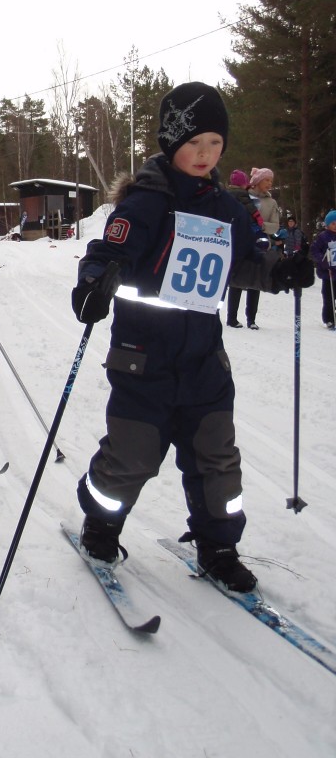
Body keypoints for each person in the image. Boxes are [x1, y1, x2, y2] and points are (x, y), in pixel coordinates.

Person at [70, 82, 314, 593]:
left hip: (203, 360)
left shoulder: (226, 207)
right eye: (194, 143)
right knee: (130, 459)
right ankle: (101, 522)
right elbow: (106, 251)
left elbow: (246, 262)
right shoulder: (145, 202)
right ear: (170, 142)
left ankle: (219, 545)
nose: (205, 155)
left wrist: (280, 271)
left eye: (215, 144)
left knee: (217, 460)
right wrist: (95, 281)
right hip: (143, 359)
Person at [224, 169, 265, 330]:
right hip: (248, 238)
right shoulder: (244, 196)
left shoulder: (225, 196)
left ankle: (232, 317)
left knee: (236, 281)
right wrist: (259, 220)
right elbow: (252, 212)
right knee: (251, 279)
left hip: (232, 240)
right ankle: (250, 318)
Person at [310, 209, 336, 328]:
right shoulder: (323, 237)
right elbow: (315, 251)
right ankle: (329, 318)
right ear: (328, 224)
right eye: (333, 223)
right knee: (329, 297)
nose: (335, 226)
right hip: (328, 273)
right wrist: (323, 262)